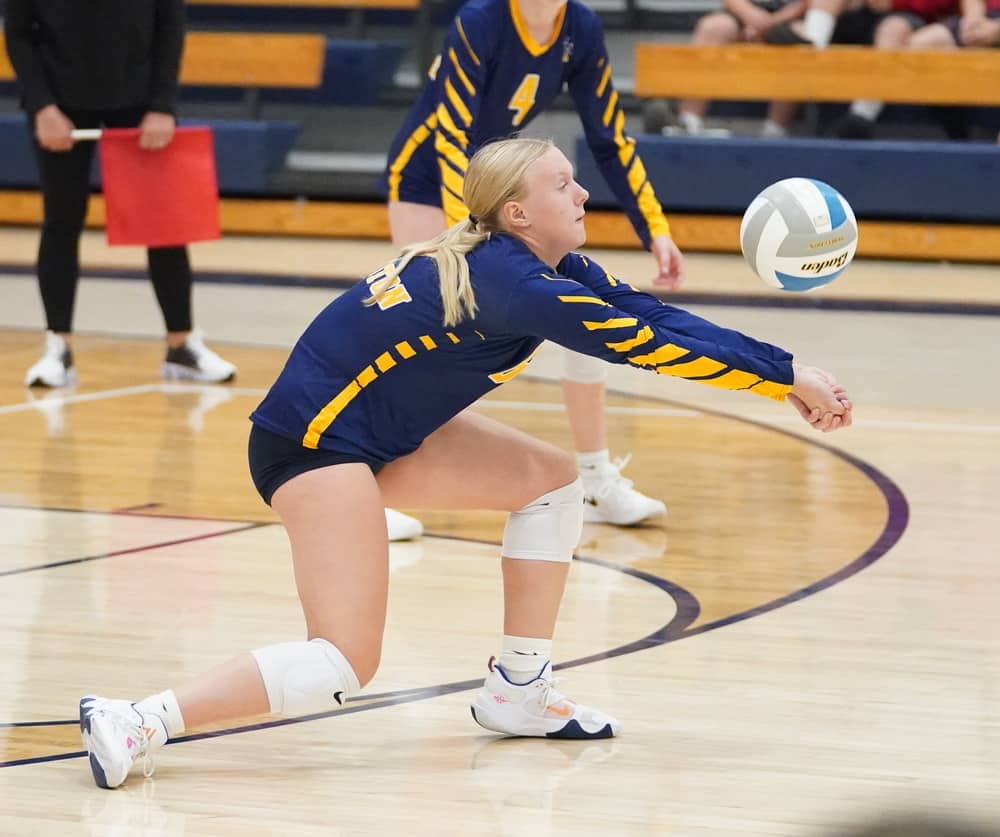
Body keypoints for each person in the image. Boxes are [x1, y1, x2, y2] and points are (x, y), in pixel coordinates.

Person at [78, 137, 852, 790]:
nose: (582, 190)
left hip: (376, 433)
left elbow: (650, 315)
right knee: (343, 659)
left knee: (552, 481)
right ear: (517, 212)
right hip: (310, 446)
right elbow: (641, 346)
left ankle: (519, 690)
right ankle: (141, 718)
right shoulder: (512, 286)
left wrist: (782, 369)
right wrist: (784, 377)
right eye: (561, 183)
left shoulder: (532, 264)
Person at [379, 0, 685, 535]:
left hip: (503, 190)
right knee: (421, 326)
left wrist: (654, 227)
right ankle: (368, 482)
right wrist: (465, 235)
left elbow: (609, 135)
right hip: (430, 179)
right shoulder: (481, 19)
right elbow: (452, 136)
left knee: (580, 306)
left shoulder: (581, 27)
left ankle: (593, 480)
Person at [4, 0, 236, 388]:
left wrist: (162, 105)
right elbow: (18, 33)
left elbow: (169, 24)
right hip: (59, 103)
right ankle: (57, 346)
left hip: (141, 100)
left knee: (163, 223)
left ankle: (181, 345)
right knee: (62, 219)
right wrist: (42, 105)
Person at [674, 0, 808, 138]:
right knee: (713, 27)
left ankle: (776, 130)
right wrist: (751, 16)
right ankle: (689, 121)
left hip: (787, 18)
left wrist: (771, 23)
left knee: (802, 36)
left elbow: (807, 3)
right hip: (744, 13)